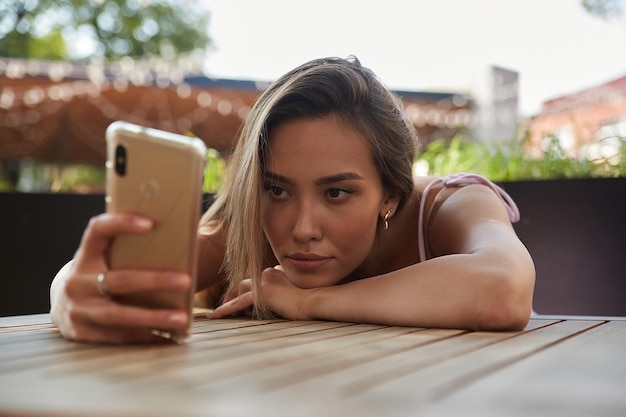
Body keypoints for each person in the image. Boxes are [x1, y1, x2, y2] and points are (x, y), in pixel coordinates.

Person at [50, 56, 535, 344]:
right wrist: (69, 296)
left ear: (390, 191)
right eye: (277, 189)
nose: (301, 227)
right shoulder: (255, 224)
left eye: (337, 192)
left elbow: (504, 292)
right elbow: (95, 276)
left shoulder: (451, 205)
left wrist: (310, 302)